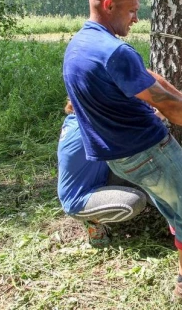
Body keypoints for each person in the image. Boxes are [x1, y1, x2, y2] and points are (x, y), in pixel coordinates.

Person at [62, 0, 182, 302]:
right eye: (132, 10)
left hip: (120, 158)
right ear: (109, 5)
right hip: (150, 153)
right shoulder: (114, 52)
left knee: (173, 205)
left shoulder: (81, 45)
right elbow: (161, 102)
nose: (137, 18)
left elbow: (151, 80)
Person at [57, 99, 150, 248]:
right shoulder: (87, 127)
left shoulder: (79, 119)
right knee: (134, 201)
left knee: (144, 172)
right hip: (80, 199)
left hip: (101, 177)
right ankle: (93, 221)